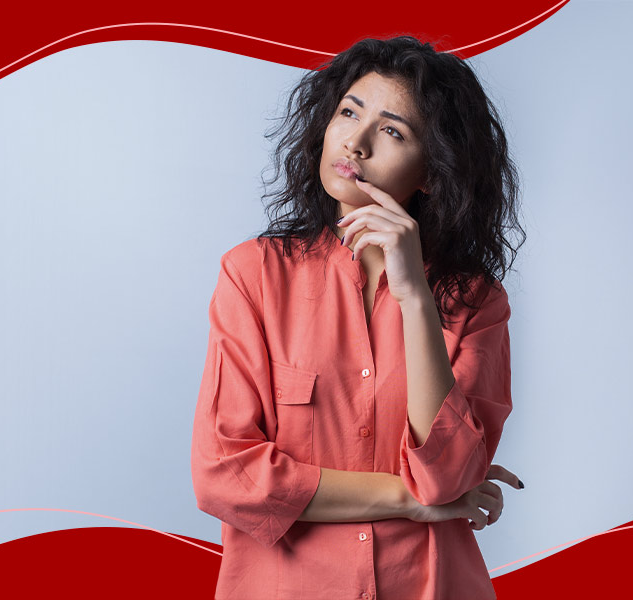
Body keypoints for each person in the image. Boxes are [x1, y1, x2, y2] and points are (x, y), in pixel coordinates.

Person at [190, 35, 526, 600]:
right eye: (348, 112)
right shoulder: (254, 276)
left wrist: (416, 297)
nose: (357, 141)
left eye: (393, 131)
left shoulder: (477, 304)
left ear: (430, 171)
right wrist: (411, 498)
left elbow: (446, 477)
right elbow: (225, 475)